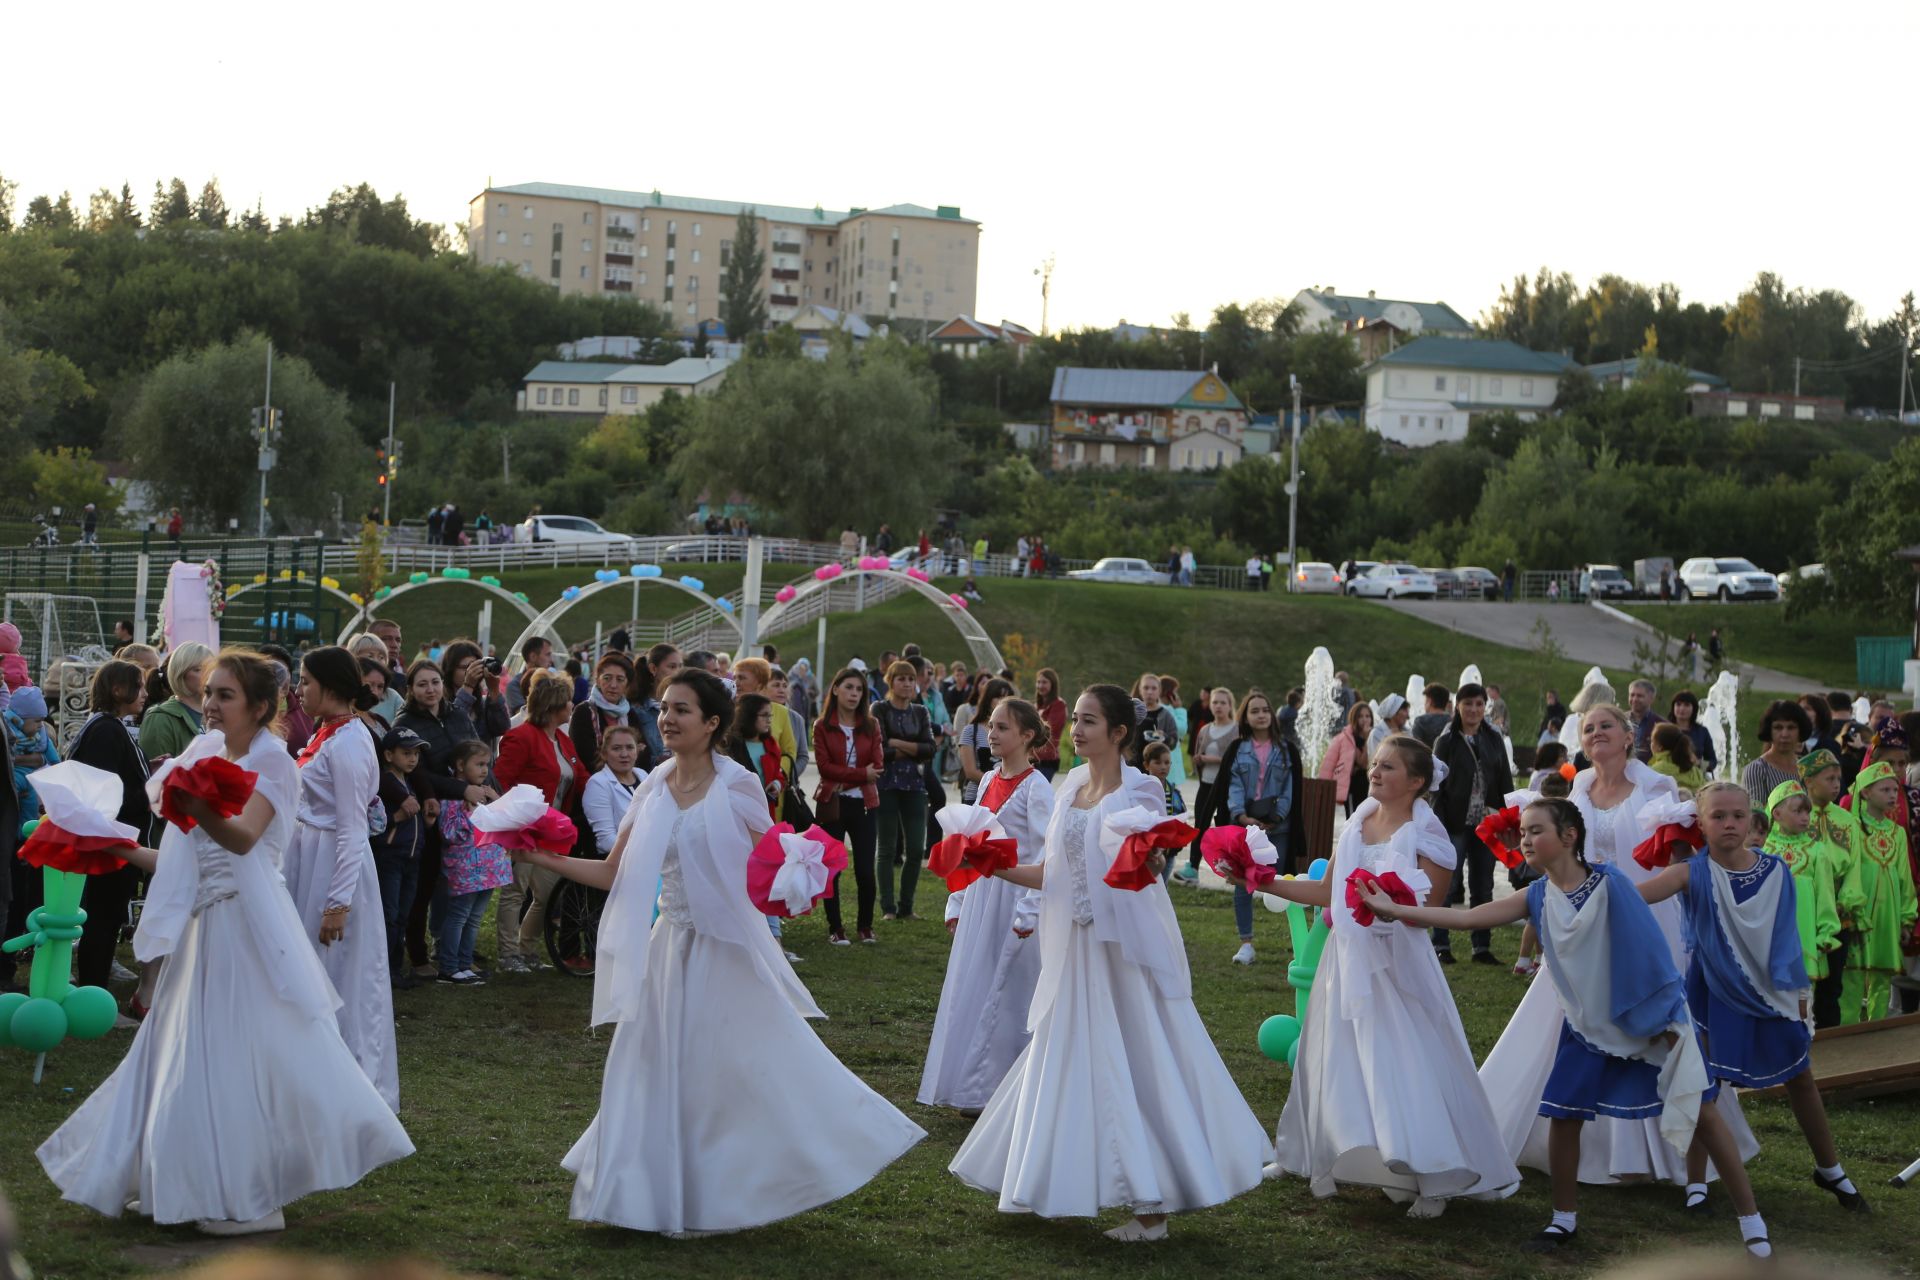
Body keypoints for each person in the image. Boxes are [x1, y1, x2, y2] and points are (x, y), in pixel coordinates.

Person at [508, 668, 925, 1233]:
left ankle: (755, 1175)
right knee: (650, 1068)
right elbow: (615, 872)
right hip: (668, 949)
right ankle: (645, 1195)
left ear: (710, 723)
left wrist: (801, 877)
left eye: (681, 710)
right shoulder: (652, 784)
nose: (667, 718)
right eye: (662, 707)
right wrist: (541, 856)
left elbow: (773, 862)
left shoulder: (738, 784)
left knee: (741, 1069)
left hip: (723, 951)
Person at [36, 649, 413, 1235]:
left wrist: (196, 806)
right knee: (180, 1052)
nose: (210, 704)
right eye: (208, 692)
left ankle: (250, 1196)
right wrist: (109, 845)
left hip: (246, 927)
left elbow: (241, 841)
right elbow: (185, 859)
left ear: (261, 707)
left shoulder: (274, 762)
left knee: (235, 1053)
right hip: (201, 927)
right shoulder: (205, 752)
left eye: (225, 695)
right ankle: (178, 1180)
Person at [1364, 798, 1773, 1258]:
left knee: (1704, 1113)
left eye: (1536, 830)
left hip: (1649, 1020)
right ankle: (1563, 1220)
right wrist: (1397, 911)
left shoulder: (1611, 883)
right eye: (1522, 831)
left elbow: (1650, 953)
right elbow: (1468, 917)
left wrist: (1666, 1022)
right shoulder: (1537, 895)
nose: (1525, 839)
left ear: (1569, 837)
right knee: (1563, 1113)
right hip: (1586, 1027)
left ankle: (1751, 1219)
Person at [950, 684, 1270, 1241]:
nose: (1076, 729)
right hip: (1072, 949)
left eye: (1090, 721)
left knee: (1133, 1059)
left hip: (1117, 952)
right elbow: (1051, 871)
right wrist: (989, 862)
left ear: (1119, 733)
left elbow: (1147, 869)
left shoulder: (1142, 789)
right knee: (1062, 1053)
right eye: (1075, 719)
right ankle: (1039, 1176)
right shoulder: (1071, 786)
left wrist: (1147, 855)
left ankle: (1151, 1208)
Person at [1477, 703, 1759, 1186]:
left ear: (1629, 737)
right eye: (1588, 728)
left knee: (1654, 1033)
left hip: (1647, 921)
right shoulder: (1578, 790)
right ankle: (1549, 1132)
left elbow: (1678, 862)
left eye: (1606, 725)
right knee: (1562, 1019)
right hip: (1582, 923)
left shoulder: (1658, 789)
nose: (1596, 733)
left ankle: (1661, 1154)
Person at [1241, 734, 1519, 1217]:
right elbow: (1328, 891)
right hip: (1346, 958)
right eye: (1376, 764)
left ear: (1416, 781)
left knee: (1406, 1059)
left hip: (1397, 964)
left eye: (1389, 768)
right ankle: (1307, 1150)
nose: (1376, 772)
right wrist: (1263, 880)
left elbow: (1433, 907)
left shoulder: (1428, 835)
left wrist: (1390, 910)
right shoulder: (1358, 820)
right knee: (1328, 1054)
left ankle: (1433, 1175)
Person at [1638, 781, 1870, 1216]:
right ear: (1700, 824)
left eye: (1737, 816)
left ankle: (1830, 1168)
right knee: (1702, 1086)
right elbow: (1632, 899)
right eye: (1717, 816)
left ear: (1752, 820)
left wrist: (1799, 997)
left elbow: (1786, 937)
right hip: (1711, 994)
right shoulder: (1692, 873)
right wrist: (1580, 883)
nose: (1729, 824)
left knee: (1800, 1077)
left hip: (1773, 991)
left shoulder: (1776, 869)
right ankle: (1697, 1183)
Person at [919, 696, 1057, 1113]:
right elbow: (972, 843)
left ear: (1027, 736)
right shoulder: (987, 781)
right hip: (983, 897)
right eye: (991, 726)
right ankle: (971, 1086)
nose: (991, 734)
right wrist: (957, 901)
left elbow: (1044, 858)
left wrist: (1030, 912)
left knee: (1011, 992)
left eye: (1001, 728)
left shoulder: (1037, 788)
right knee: (974, 986)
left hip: (1016, 901)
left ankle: (1007, 1089)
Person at [283, 645, 397, 1112]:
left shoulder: (350, 742)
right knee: (307, 971)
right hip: (308, 855)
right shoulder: (327, 735)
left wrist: (337, 902)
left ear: (330, 687)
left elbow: (352, 828)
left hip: (333, 863)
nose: (298, 690)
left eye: (305, 681)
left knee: (341, 978)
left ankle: (350, 1089)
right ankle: (308, 1079)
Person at [394, 659, 490, 976]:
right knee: (425, 883)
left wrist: (486, 786)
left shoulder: (456, 713)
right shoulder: (406, 722)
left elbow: (477, 752)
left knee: (460, 882)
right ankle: (418, 955)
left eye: (434, 682)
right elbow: (419, 773)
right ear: (411, 689)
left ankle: (455, 950)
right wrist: (461, 788)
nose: (430, 689)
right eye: (422, 684)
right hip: (432, 810)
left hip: (467, 810)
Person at [66, 660, 151, 999]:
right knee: (103, 919)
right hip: (110, 841)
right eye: (139, 686)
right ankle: (92, 990)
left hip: (115, 839)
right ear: (118, 690)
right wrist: (149, 791)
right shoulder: (105, 730)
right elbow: (103, 789)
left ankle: (95, 986)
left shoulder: (111, 726)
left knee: (108, 917)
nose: (145, 693)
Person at [495, 675, 587, 973]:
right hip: (525, 826)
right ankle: (509, 954)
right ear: (555, 705)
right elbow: (502, 778)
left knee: (546, 893)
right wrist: (514, 815)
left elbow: (581, 776)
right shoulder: (521, 736)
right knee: (515, 890)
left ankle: (527, 948)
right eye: (568, 700)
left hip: (551, 827)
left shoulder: (562, 739)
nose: (573, 705)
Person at [1430, 682, 1515, 965]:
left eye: (1479, 704)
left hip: (1485, 824)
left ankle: (1481, 947)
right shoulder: (1447, 741)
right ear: (1458, 706)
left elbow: (1504, 781)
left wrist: (1508, 817)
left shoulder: (1493, 739)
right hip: (1454, 823)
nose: (1474, 710)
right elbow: (1436, 788)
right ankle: (1440, 943)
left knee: (1483, 885)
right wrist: (1437, 824)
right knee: (1446, 884)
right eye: (1468, 704)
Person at [1219, 689, 1302, 966]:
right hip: (1247, 828)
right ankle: (1246, 944)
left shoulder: (1286, 748)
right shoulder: (1238, 749)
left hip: (1278, 827)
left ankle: (1297, 942)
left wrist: (1276, 817)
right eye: (1254, 711)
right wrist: (1241, 816)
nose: (1261, 715)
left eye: (1265, 710)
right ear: (1246, 716)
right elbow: (1233, 785)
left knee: (1278, 883)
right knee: (1243, 884)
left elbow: (1291, 788)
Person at [1840, 760, 1918, 1022]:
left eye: (1894, 790)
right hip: (1859, 914)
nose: (1892, 795)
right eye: (1884, 790)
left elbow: (1905, 877)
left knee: (1883, 977)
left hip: (1888, 916)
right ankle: (1847, 1031)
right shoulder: (1851, 829)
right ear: (1865, 792)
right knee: (1852, 976)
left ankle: (1878, 1030)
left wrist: (1907, 918)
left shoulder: (1897, 833)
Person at [1762, 781, 1844, 1019]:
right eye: (1797, 811)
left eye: (1807, 811)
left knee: (1805, 995)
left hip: (1807, 934)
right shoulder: (1765, 851)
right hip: (1774, 935)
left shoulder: (1817, 850)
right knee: (1775, 993)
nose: (1805, 817)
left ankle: (1804, 1039)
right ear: (1776, 814)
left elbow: (1825, 895)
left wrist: (1826, 931)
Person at [815, 667, 884, 946]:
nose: (854, 694)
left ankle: (865, 926)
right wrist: (859, 774)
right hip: (833, 804)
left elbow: (877, 767)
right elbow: (823, 768)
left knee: (866, 869)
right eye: (849, 687)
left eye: (859, 689)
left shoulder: (871, 724)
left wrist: (854, 776)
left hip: (865, 804)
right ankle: (836, 927)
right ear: (835, 689)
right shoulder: (822, 726)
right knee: (832, 868)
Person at [436, 740, 513, 986]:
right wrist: (470, 811)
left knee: (475, 917)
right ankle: (448, 967)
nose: (484, 770)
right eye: (479, 764)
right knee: (459, 915)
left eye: (487, 765)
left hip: (489, 869)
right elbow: (449, 833)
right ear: (460, 765)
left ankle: (464, 963)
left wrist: (495, 801)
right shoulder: (453, 796)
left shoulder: (486, 793)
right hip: (466, 870)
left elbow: (505, 822)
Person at [1801, 748, 1868, 1028]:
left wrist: (1847, 901)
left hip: (1839, 912)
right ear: (1809, 782)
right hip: (1804, 912)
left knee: (1833, 984)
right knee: (1803, 982)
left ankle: (1831, 1039)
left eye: (1838, 778)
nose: (1836, 784)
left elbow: (1854, 864)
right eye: (1829, 778)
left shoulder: (1846, 820)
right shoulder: (1793, 816)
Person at [874, 660, 934, 922]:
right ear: (890, 681)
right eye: (902, 679)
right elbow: (879, 750)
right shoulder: (879, 708)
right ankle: (888, 907)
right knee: (886, 848)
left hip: (914, 785)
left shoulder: (920, 712)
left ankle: (906, 907)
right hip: (886, 784)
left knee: (915, 849)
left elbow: (930, 749)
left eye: (911, 679)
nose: (908, 684)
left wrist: (897, 743)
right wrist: (912, 748)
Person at [373, 725, 427, 990]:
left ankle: (395, 968)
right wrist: (397, 818)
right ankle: (385, 972)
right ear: (388, 755)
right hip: (390, 857)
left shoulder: (411, 781)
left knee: (402, 915)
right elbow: (373, 823)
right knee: (389, 915)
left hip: (412, 857)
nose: (413, 758)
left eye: (415, 753)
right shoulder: (384, 785)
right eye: (406, 753)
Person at [1177, 687, 1239, 883]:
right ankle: (1193, 868)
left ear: (1230, 705)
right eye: (1215, 702)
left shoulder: (1236, 730)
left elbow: (1235, 760)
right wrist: (1199, 760)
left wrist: (1209, 758)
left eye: (1223, 702)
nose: (1218, 706)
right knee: (1200, 825)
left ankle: (1231, 871)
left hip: (1226, 787)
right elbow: (1197, 752)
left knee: (1224, 827)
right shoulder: (1205, 729)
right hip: (1205, 784)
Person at [568, 652, 645, 778]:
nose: (613, 685)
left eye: (620, 680)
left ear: (627, 684)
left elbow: (644, 756)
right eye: (607, 678)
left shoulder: (630, 714)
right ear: (598, 680)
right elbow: (587, 758)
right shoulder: (584, 712)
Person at [136, 642, 213, 765]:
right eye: (198, 669)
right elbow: (154, 777)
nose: (207, 675)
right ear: (180, 674)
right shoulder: (160, 718)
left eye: (211, 668)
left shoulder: (217, 713)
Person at [582, 724, 646, 855]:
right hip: (620, 862)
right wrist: (645, 852)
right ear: (604, 754)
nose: (624, 754)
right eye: (616, 749)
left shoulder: (644, 775)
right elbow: (606, 841)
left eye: (630, 747)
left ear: (637, 751)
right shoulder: (598, 784)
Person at [1743, 700, 1811, 807]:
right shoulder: (1757, 769)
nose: (1784, 734)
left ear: (1800, 730)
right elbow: (1757, 816)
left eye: (1791, 727)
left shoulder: (1807, 767)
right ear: (1769, 731)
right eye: (1778, 728)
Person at [958, 679, 1014, 805]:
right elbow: (970, 772)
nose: (1003, 703)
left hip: (1007, 799)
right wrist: (1000, 786)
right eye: (999, 697)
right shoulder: (971, 731)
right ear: (988, 699)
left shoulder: (1015, 731)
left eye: (1007, 698)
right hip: (977, 797)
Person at [1319, 702, 1374, 818]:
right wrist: (1324, 787)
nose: (1364, 719)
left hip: (1370, 786)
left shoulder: (1375, 737)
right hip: (1352, 787)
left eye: (1367, 716)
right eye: (1360, 716)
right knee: (1353, 819)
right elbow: (1329, 763)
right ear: (1354, 718)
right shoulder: (1345, 738)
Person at [1127, 673, 1178, 769]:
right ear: (1140, 690)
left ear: (1159, 691)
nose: (1149, 692)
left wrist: (1164, 737)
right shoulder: (1131, 712)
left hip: (1154, 768)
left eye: (1154, 688)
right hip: (1130, 765)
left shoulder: (1166, 715)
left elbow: (1173, 743)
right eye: (1146, 688)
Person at [1669, 690, 1718, 778]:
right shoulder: (1664, 729)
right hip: (1669, 776)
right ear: (1673, 707)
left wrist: (1698, 763)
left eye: (1686, 705)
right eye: (1678, 704)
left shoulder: (1702, 731)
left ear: (1694, 708)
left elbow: (1713, 762)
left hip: (1694, 779)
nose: (1682, 708)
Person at [1649, 723, 1705, 793]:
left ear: (1660, 747)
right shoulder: (1694, 770)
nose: (1650, 744)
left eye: (1652, 741)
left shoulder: (1655, 771)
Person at [1626, 679, 1665, 763]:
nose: (1635, 699)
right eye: (1632, 695)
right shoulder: (1619, 719)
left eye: (1639, 696)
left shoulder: (1662, 725)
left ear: (1651, 699)